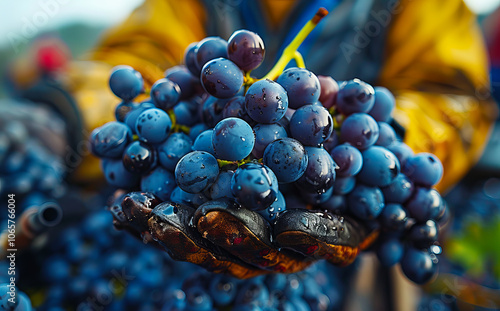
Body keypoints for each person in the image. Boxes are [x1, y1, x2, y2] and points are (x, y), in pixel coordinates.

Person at [3, 0, 498, 279]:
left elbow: (450, 92)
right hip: (195, 254)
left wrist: (388, 147)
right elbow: (144, 58)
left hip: (350, 240)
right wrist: (65, 114)